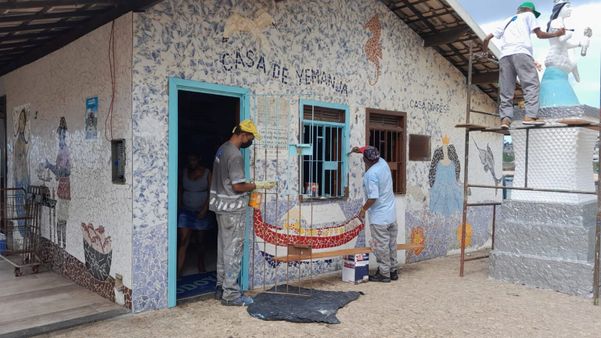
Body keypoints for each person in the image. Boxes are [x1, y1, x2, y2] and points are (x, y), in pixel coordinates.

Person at [209, 119, 275, 306]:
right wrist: (257, 185)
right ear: (243, 134)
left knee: (223, 248)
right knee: (234, 251)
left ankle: (221, 287)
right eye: (250, 138)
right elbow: (238, 186)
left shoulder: (222, 149)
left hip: (220, 207)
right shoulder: (235, 155)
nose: (250, 141)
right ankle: (231, 294)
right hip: (232, 209)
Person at [481, 2, 566, 129]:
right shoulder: (529, 15)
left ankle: (505, 120)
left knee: (506, 90)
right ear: (528, 10)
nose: (533, 15)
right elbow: (540, 34)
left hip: (504, 56)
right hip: (521, 53)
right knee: (531, 84)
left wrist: (484, 52)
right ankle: (531, 116)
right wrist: (557, 34)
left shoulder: (507, 20)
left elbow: (486, 39)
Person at [354, 146, 398, 283]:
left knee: (381, 246)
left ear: (365, 160)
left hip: (379, 218)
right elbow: (369, 150)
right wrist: (359, 149)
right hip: (391, 215)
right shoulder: (383, 163)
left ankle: (384, 274)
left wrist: (362, 210)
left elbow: (373, 197)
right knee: (391, 244)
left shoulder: (371, 174)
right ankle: (393, 271)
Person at [177, 153, 215, 277]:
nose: (191, 162)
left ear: (199, 159)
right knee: (183, 241)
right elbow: (180, 189)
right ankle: (178, 271)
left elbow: (211, 191)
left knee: (200, 241)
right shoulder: (184, 172)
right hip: (186, 212)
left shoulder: (207, 173)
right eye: (189, 160)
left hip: (201, 212)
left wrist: (205, 209)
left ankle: (200, 264)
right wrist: (180, 205)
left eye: (193, 159)